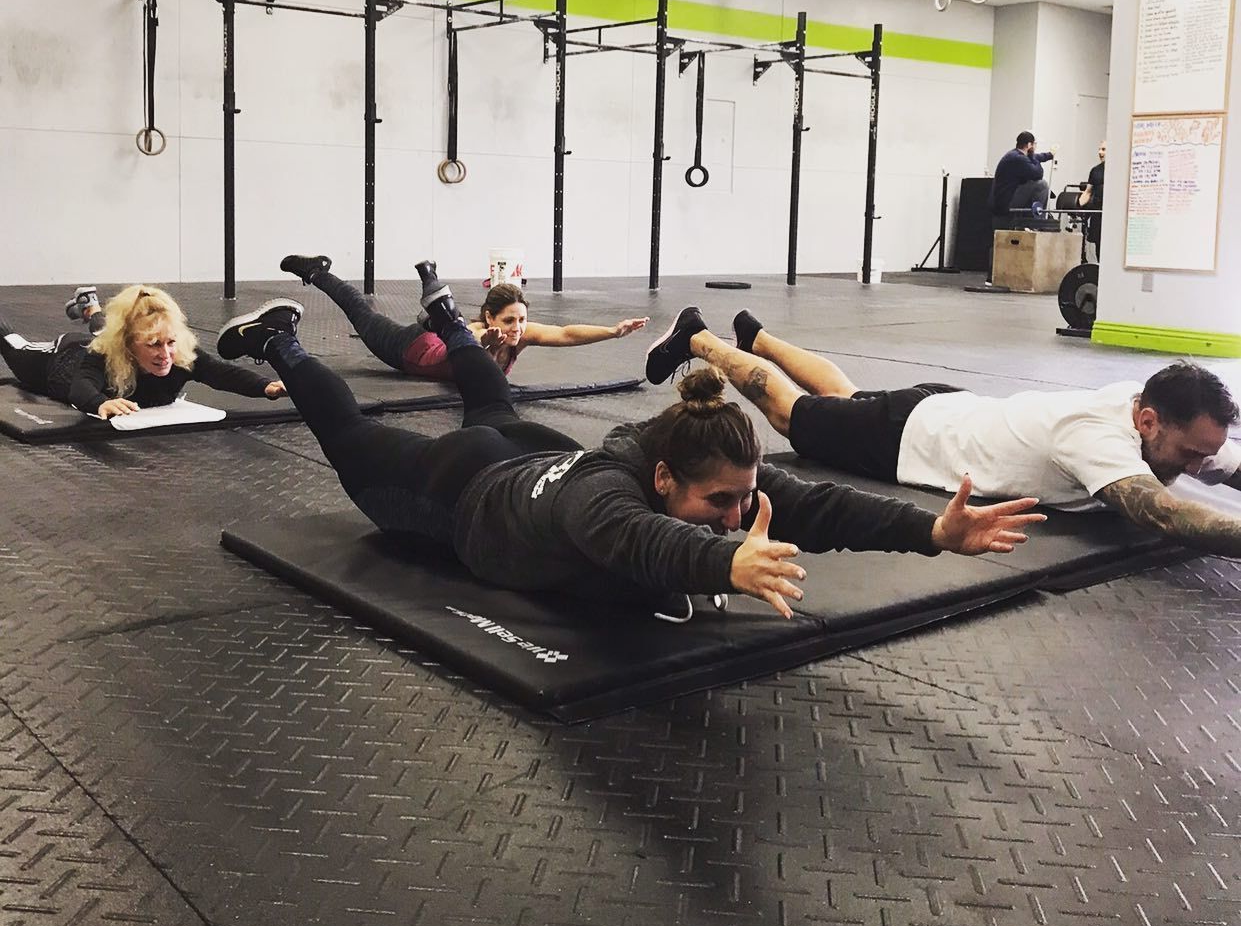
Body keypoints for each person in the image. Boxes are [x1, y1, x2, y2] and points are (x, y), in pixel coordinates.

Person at [217, 270, 1044, 620]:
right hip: (461, 491)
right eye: (718, 505)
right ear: (663, 477)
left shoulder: (694, 458)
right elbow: (649, 544)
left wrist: (932, 530)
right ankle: (278, 341)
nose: (735, 516)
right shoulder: (604, 501)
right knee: (355, 441)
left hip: (529, 450)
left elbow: (819, 504)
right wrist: (725, 564)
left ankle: (447, 322)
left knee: (492, 397)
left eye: (739, 499)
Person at [644, 305, 1241, 557]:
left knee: (846, 398)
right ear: (1147, 422)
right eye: (1189, 455)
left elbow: (1226, 462)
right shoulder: (1098, 439)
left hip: (948, 408)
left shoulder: (1155, 410)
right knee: (792, 414)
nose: (1198, 467)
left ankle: (758, 338)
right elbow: (1167, 515)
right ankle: (699, 338)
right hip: (913, 436)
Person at [279, 253, 648, 380]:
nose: (518, 328)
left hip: (435, 337)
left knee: (447, 326)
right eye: (509, 321)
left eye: (521, 320)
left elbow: (565, 333)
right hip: (406, 350)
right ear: (490, 318)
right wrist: (486, 340)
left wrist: (612, 331)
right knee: (359, 310)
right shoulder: (477, 330)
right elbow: (472, 341)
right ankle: (316, 272)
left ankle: (433, 315)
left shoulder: (520, 335)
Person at [1, 284, 286, 419]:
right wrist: (100, 403)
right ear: (128, 345)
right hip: (60, 359)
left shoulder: (179, 353)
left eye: (170, 342)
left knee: (107, 330)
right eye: (154, 345)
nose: (166, 354)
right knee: (13, 345)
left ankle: (91, 307)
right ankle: (92, 310)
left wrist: (265, 386)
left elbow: (221, 373)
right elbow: (81, 387)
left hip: (114, 339)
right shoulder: (104, 354)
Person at [987, 131, 1055, 283]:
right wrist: (1034, 156)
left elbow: (1037, 157)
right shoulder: (1018, 159)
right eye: (1034, 145)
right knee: (1041, 185)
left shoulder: (1013, 155)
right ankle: (1037, 220)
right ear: (1029, 145)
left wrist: (1050, 155)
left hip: (1000, 202)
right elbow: (1038, 173)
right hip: (1006, 203)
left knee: (998, 242)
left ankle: (994, 277)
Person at [1077, 139, 1105, 260]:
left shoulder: (1118, 170)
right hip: (1097, 213)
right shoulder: (1095, 170)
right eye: (1099, 149)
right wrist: (1078, 205)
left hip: (1111, 215)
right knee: (1098, 246)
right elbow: (1088, 192)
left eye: (1103, 149)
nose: (1100, 152)